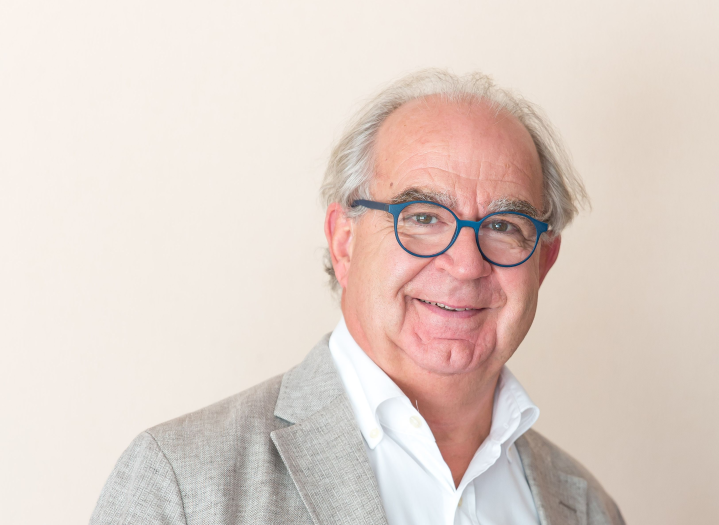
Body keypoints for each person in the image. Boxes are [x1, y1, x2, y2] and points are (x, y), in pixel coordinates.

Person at [91, 69, 625, 525]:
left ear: (543, 263)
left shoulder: (587, 508)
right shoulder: (183, 485)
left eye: (504, 226)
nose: (466, 265)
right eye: (422, 218)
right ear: (344, 242)